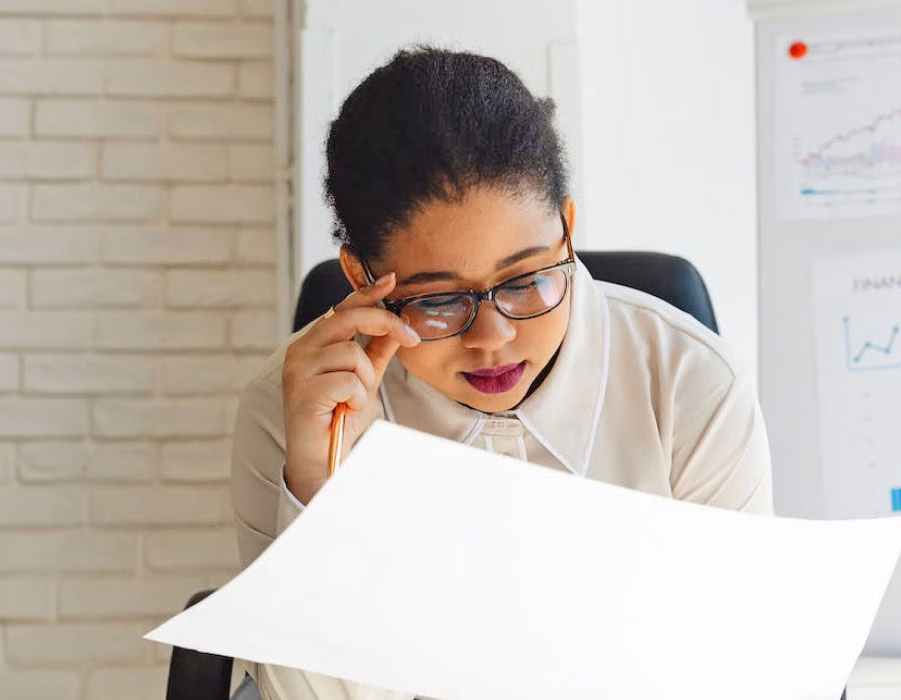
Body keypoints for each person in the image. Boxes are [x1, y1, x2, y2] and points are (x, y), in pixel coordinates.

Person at [229, 46, 773, 700]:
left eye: (524, 280)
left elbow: (740, 672)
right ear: (360, 281)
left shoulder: (692, 385)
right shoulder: (291, 411)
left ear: (567, 232)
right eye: (436, 300)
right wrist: (322, 491)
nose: (494, 338)